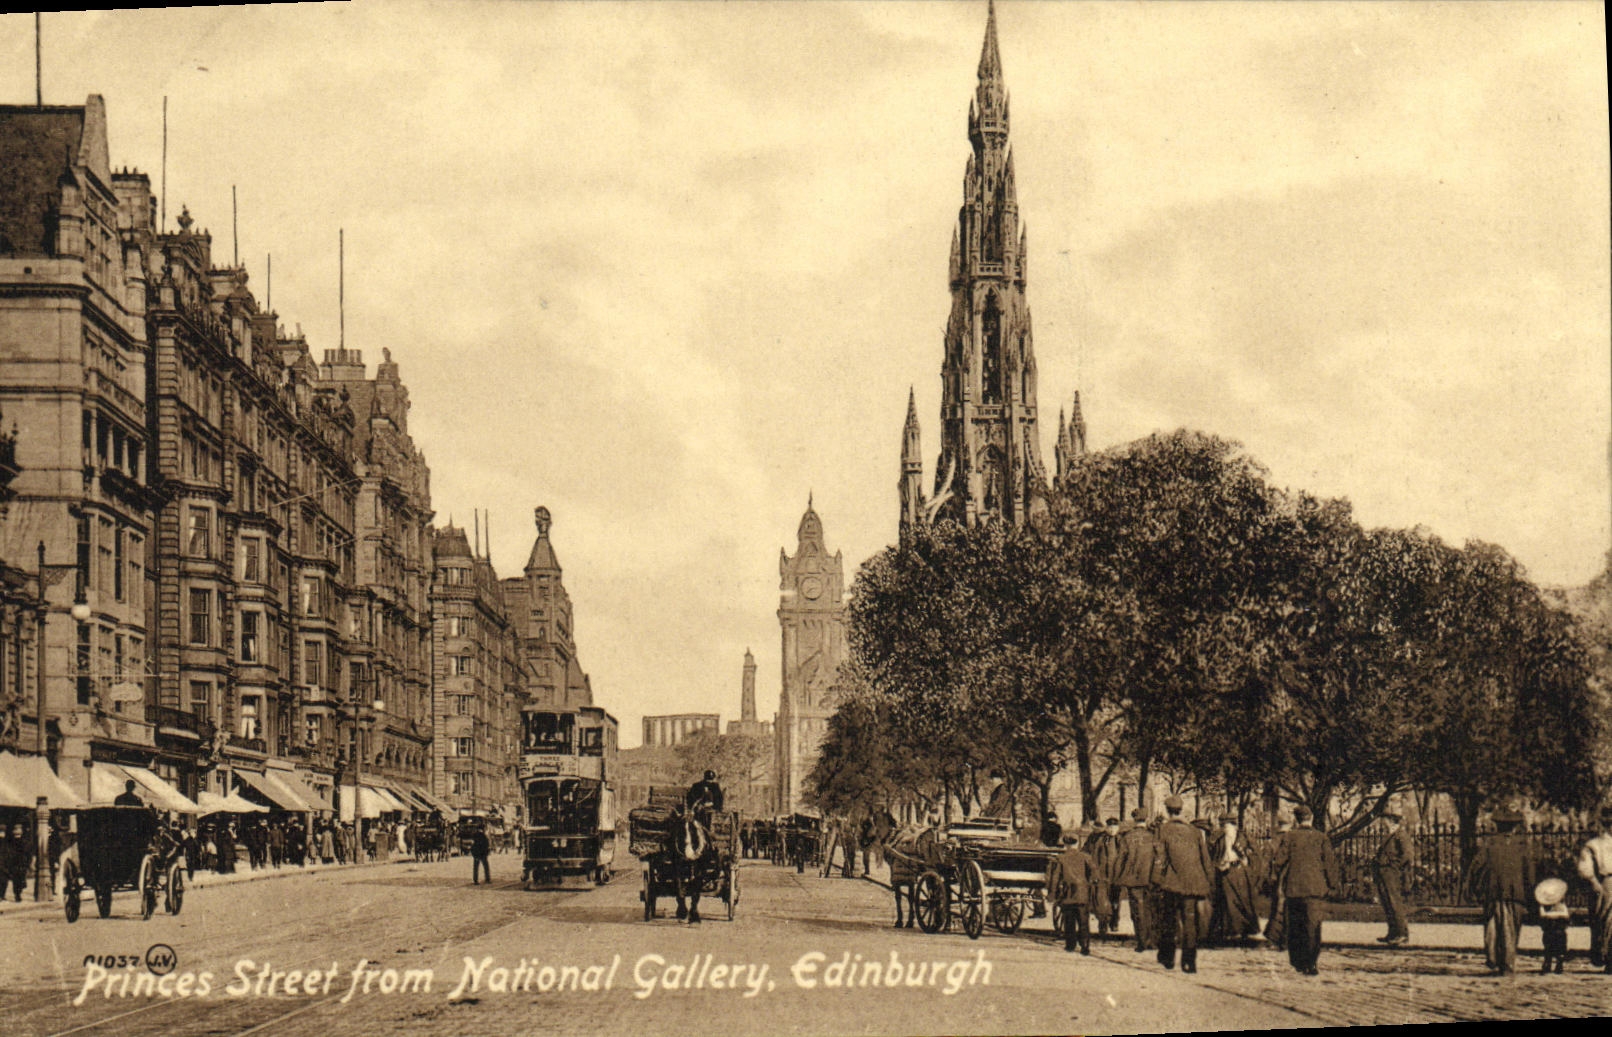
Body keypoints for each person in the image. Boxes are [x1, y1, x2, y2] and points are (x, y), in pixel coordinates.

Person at [1269, 805, 1340, 975]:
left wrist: (1276, 878)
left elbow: (1279, 861)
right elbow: (1330, 864)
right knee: (1313, 927)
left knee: (1295, 926)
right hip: (1315, 889)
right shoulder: (1321, 837)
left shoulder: (1290, 837)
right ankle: (1312, 962)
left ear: (1296, 819)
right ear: (1311, 818)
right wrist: (1333, 885)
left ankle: (1298, 962)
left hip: (1294, 888)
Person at [1466, 808, 1535, 975]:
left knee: (1493, 927)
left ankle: (1494, 958)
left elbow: (1475, 867)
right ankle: (1507, 963)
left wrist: (1474, 889)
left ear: (1497, 826)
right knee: (1510, 929)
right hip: (1514, 894)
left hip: (1493, 892)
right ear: (1514, 828)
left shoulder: (1489, 845)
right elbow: (1529, 873)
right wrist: (1531, 893)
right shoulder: (1523, 846)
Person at [1151, 796, 1214, 973]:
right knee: (1190, 921)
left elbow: (1159, 859)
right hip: (1194, 882)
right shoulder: (1194, 831)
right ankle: (1189, 962)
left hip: (1172, 883)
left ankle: (1168, 958)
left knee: (1169, 919)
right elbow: (1205, 859)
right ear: (1181, 810)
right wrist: (1209, 881)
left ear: (1167, 810)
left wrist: (1155, 880)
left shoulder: (1163, 830)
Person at [1209, 813, 1262, 945]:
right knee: (1227, 902)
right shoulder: (1219, 838)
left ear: (1233, 825)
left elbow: (1256, 853)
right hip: (1225, 872)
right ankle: (1230, 931)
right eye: (1223, 826)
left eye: (1227, 825)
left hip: (1240, 872)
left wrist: (1247, 861)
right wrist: (1219, 864)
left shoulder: (1243, 836)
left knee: (1243, 901)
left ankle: (1245, 931)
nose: (1225, 829)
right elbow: (1212, 854)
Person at [1116, 807, 1159, 952]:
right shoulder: (1153, 836)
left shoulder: (1127, 837)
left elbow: (1120, 859)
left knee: (1137, 910)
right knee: (1151, 909)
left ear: (1134, 819)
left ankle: (1141, 942)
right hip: (1151, 878)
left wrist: (1118, 878)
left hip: (1133, 879)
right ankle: (1152, 942)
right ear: (1146, 819)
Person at [1047, 833, 1098, 954]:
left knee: (1069, 920)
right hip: (1082, 893)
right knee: (1083, 921)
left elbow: (1055, 878)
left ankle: (1070, 945)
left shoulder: (1061, 858)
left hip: (1067, 893)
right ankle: (1085, 945)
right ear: (1077, 844)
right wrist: (1090, 883)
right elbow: (1095, 873)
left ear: (1066, 845)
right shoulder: (1086, 857)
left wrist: (1052, 894)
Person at [1577, 807, 1612, 971]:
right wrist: (1594, 882)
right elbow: (1585, 867)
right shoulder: (1594, 844)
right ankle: (1604, 955)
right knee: (1605, 920)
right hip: (1605, 882)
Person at [1373, 810, 1414, 946]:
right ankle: (1393, 933)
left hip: (1393, 874)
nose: (1383, 822)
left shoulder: (1400, 835)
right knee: (1387, 903)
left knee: (1394, 903)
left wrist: (1393, 866)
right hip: (1385, 873)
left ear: (1391, 821)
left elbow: (1407, 856)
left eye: (1385, 819)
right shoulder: (1390, 835)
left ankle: (1402, 934)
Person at [1086, 817, 1124, 937]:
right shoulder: (1100, 840)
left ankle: (1114, 922)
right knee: (1102, 900)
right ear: (1106, 828)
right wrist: (1095, 871)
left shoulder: (1121, 840)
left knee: (1116, 900)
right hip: (1102, 875)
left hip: (1116, 875)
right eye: (1110, 827)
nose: (1112, 830)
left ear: (1118, 828)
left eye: (1115, 827)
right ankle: (1103, 924)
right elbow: (1093, 855)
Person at [1536, 877, 1570, 975]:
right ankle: (1552, 963)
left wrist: (1550, 916)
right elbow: (1565, 916)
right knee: (1552, 948)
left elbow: (1543, 917)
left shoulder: (1552, 907)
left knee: (1554, 948)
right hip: (1554, 931)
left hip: (1554, 932)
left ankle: (1555, 963)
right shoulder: (1559, 907)